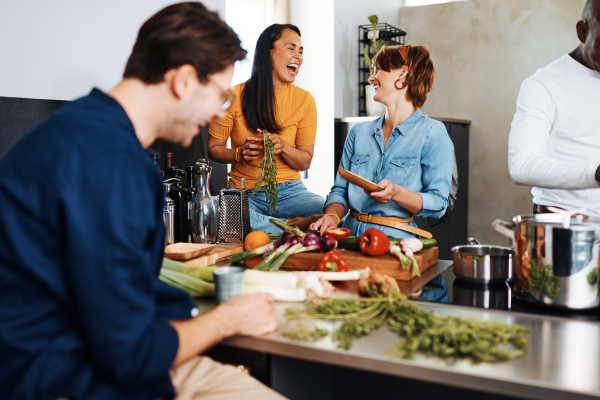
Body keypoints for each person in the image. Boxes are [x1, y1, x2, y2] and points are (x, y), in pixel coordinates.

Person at [0, 3, 284, 400]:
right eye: (220, 97)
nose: (218, 112)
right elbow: (130, 355)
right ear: (184, 80)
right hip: (63, 378)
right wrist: (229, 318)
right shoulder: (114, 165)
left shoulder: (78, 126)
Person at [310, 45, 454, 241]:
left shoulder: (432, 133)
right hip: (348, 237)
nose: (371, 78)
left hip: (396, 242)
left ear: (402, 74)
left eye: (378, 69)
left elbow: (438, 203)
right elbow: (340, 190)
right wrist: (332, 216)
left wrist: (396, 193)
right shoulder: (358, 133)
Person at [207, 24, 325, 234]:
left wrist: (284, 147)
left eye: (301, 51)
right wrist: (239, 153)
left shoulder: (305, 101)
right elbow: (214, 148)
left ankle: (262, 226)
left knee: (333, 212)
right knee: (215, 207)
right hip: (242, 192)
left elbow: (305, 160)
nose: (298, 56)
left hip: (290, 194)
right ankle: (288, 226)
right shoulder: (233, 96)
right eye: (291, 48)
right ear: (267, 52)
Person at [508, 0, 600, 216]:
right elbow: (521, 165)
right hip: (564, 227)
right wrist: (595, 174)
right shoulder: (543, 85)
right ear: (583, 31)